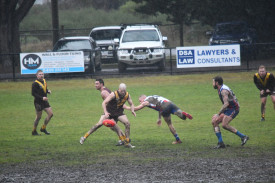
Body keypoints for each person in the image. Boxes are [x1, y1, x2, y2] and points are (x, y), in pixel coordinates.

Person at [125, 95, 193, 144]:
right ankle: (184, 114)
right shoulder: (154, 97)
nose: (140, 102)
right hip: (170, 103)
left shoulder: (146, 101)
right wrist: (159, 118)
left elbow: (136, 108)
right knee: (183, 117)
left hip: (164, 107)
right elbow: (159, 107)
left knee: (169, 124)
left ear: (143, 98)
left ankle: (178, 139)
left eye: (140, 101)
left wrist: (126, 107)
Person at [79, 79, 127, 146]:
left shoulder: (103, 92)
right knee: (105, 125)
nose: (95, 85)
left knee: (110, 125)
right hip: (110, 111)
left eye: (97, 84)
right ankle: (123, 139)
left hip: (110, 112)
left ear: (101, 84)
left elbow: (110, 102)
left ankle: (124, 140)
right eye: (95, 84)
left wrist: (107, 112)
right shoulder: (105, 90)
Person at [212, 76, 249, 149]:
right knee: (214, 121)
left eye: (213, 82)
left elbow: (226, 104)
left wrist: (218, 114)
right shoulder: (220, 88)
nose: (212, 84)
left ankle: (243, 137)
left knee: (224, 125)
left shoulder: (223, 91)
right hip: (228, 108)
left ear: (217, 83)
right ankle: (221, 143)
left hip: (234, 108)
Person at [102, 83, 136, 148]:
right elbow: (104, 103)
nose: (123, 92)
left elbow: (131, 104)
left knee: (127, 123)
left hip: (119, 112)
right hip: (110, 112)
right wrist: (105, 112)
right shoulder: (113, 94)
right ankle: (121, 138)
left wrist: (132, 110)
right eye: (121, 91)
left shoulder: (127, 95)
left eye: (124, 91)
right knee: (112, 127)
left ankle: (127, 142)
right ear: (119, 89)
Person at [31, 70, 53, 135]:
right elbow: (33, 93)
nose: (41, 75)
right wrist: (42, 98)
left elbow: (44, 89)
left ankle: (43, 128)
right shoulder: (35, 83)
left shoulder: (44, 81)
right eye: (40, 74)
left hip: (45, 101)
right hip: (38, 102)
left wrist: (47, 91)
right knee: (38, 117)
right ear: (37, 75)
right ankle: (34, 131)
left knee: (51, 114)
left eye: (42, 74)